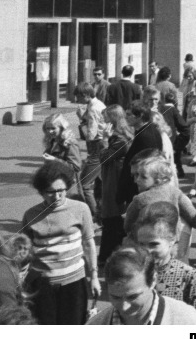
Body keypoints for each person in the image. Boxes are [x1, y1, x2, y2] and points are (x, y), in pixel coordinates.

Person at [21, 160, 99, 324]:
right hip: (42, 285)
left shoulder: (80, 209)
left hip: (74, 283)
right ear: (41, 192)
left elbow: (89, 243)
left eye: (61, 191)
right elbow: (25, 252)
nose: (57, 196)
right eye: (51, 192)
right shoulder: (30, 214)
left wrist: (94, 276)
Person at [86, 245, 196, 325]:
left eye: (133, 296)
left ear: (153, 280)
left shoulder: (187, 321)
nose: (124, 307)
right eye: (116, 297)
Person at [132, 201, 196, 306]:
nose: (146, 251)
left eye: (153, 244)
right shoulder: (132, 272)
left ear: (172, 239)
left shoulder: (190, 277)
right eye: (141, 244)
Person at [123, 151, 196, 236]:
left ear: (157, 180)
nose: (137, 180)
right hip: (171, 240)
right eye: (138, 175)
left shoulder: (140, 199)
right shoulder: (175, 192)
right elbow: (193, 216)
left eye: (143, 177)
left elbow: (128, 225)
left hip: (146, 239)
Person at [98, 104, 132, 265]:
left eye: (105, 118)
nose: (102, 121)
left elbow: (104, 158)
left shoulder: (119, 139)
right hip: (113, 180)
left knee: (112, 220)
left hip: (114, 182)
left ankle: (107, 256)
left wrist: (104, 140)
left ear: (112, 120)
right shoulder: (120, 136)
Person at [116, 102, 164, 209]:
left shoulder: (145, 136)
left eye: (129, 114)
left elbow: (144, 167)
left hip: (140, 192)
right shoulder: (147, 130)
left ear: (140, 116)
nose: (125, 117)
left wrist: (123, 193)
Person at [75, 81, 106, 221]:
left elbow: (92, 132)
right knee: (99, 182)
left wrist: (83, 134)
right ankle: (100, 211)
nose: (77, 100)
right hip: (102, 144)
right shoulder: (96, 104)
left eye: (78, 96)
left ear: (86, 95)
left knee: (85, 183)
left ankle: (95, 215)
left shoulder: (93, 108)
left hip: (97, 146)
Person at [41, 113, 83, 188]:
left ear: (62, 128)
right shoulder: (53, 140)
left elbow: (76, 167)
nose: (50, 131)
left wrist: (55, 160)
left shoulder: (70, 142)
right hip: (55, 180)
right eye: (48, 128)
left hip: (68, 183)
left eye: (53, 128)